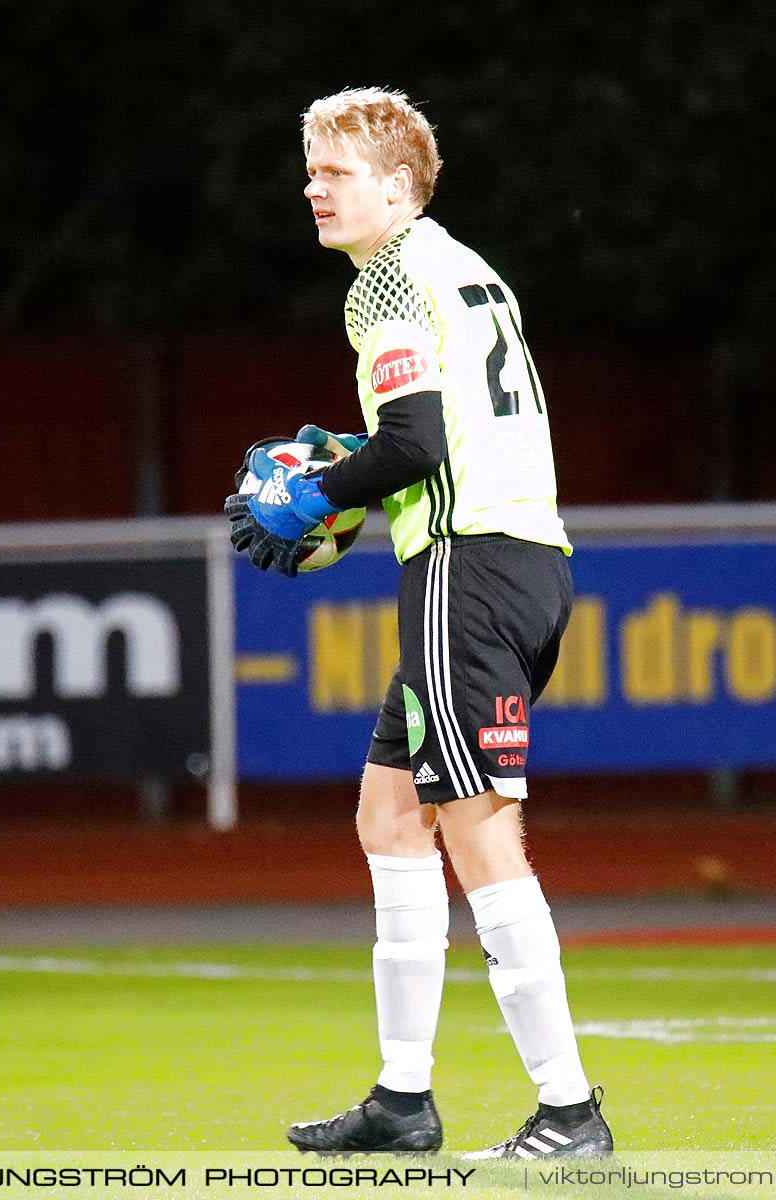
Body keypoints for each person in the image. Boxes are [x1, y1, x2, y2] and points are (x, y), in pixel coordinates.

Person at [223, 87, 612, 1160]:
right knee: (390, 819)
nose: (313, 186)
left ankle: (570, 1113)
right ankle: (403, 1103)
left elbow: (415, 444)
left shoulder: (388, 278)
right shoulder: (466, 267)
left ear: (397, 187)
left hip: (466, 568)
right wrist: (361, 479)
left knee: (480, 829)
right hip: (520, 558)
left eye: (334, 170)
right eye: (309, 168)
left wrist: (319, 496)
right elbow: (438, 432)